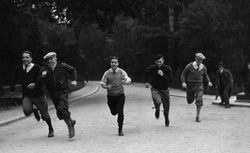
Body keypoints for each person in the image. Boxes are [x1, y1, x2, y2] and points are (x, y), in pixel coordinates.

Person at [9, 50, 54, 137]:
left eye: (27, 57)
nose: (25, 59)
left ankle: (50, 129)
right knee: (26, 111)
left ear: (31, 58)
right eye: (23, 57)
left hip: (38, 95)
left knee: (45, 115)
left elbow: (43, 79)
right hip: (27, 95)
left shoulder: (37, 68)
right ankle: (34, 110)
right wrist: (11, 90)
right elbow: (14, 79)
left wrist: (35, 84)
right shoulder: (18, 68)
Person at [38, 52, 77, 138]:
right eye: (48, 59)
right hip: (52, 93)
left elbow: (73, 70)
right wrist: (42, 76)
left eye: (51, 58)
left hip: (63, 91)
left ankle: (70, 127)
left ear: (55, 58)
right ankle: (71, 121)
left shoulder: (62, 65)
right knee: (59, 112)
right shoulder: (44, 69)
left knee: (62, 108)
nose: (49, 61)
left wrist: (74, 80)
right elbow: (38, 81)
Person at [100, 56, 131, 136]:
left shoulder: (121, 72)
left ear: (118, 63)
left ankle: (120, 129)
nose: (113, 64)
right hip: (110, 96)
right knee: (114, 112)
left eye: (115, 62)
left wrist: (126, 81)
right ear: (110, 63)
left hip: (120, 95)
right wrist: (106, 87)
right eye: (112, 62)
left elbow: (128, 79)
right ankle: (116, 111)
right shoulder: (107, 73)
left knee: (120, 112)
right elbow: (102, 84)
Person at [181, 52, 212, 122]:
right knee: (189, 101)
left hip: (199, 85)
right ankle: (192, 98)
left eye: (201, 60)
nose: (199, 61)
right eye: (198, 59)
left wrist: (208, 81)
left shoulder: (203, 67)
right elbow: (183, 74)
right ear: (195, 58)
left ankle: (197, 116)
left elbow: (205, 75)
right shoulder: (189, 66)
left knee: (199, 100)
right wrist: (183, 82)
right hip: (190, 85)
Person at [144, 54, 173, 127]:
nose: (158, 63)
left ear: (163, 61)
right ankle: (157, 109)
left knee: (166, 106)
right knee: (158, 101)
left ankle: (166, 118)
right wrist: (146, 82)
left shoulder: (167, 68)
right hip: (155, 89)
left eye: (160, 61)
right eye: (157, 62)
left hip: (165, 89)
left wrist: (163, 75)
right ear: (155, 61)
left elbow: (170, 80)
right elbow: (146, 73)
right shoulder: (152, 68)